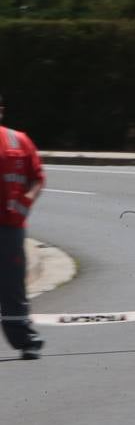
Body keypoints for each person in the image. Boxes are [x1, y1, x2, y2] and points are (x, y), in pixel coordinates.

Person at [0, 93, 45, 361]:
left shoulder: (19, 140)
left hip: (10, 227)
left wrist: (26, 202)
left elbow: (37, 177)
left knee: (12, 285)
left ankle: (25, 340)